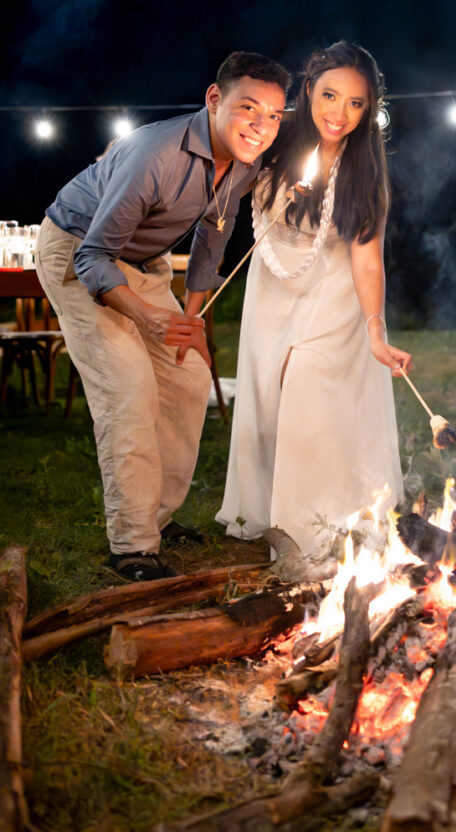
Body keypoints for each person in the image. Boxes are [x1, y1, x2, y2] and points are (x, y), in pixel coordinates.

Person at [35, 52, 290, 581]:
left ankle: (157, 516)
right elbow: (92, 258)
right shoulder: (155, 154)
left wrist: (189, 319)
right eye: (249, 108)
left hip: (143, 264)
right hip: (77, 251)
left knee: (188, 379)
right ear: (214, 99)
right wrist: (147, 318)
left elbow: (213, 236)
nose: (261, 127)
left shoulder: (246, 164)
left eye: (273, 116)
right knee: (128, 390)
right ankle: (132, 546)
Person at [216, 41, 412, 560]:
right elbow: (224, 190)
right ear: (308, 90)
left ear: (369, 109)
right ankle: (267, 514)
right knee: (268, 397)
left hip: (334, 287)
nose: (339, 113)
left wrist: (375, 328)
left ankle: (315, 526)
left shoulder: (366, 166)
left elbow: (367, 257)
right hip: (273, 281)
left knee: (307, 386)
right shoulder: (276, 140)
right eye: (330, 95)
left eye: (355, 103)